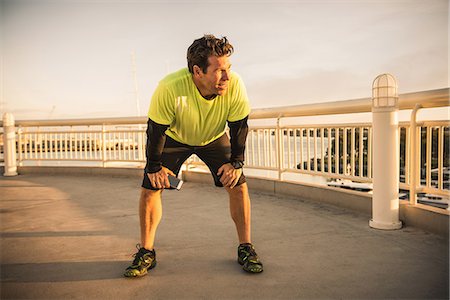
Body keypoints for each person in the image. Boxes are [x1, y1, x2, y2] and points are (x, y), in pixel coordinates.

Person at [124, 34, 263, 278]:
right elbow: (156, 130)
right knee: (150, 188)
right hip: (175, 138)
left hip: (213, 137)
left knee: (238, 185)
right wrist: (154, 167)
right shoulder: (169, 87)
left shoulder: (234, 85)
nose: (227, 77)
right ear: (197, 71)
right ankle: (147, 252)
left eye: (228, 68)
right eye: (219, 71)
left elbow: (239, 126)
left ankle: (246, 247)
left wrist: (236, 164)